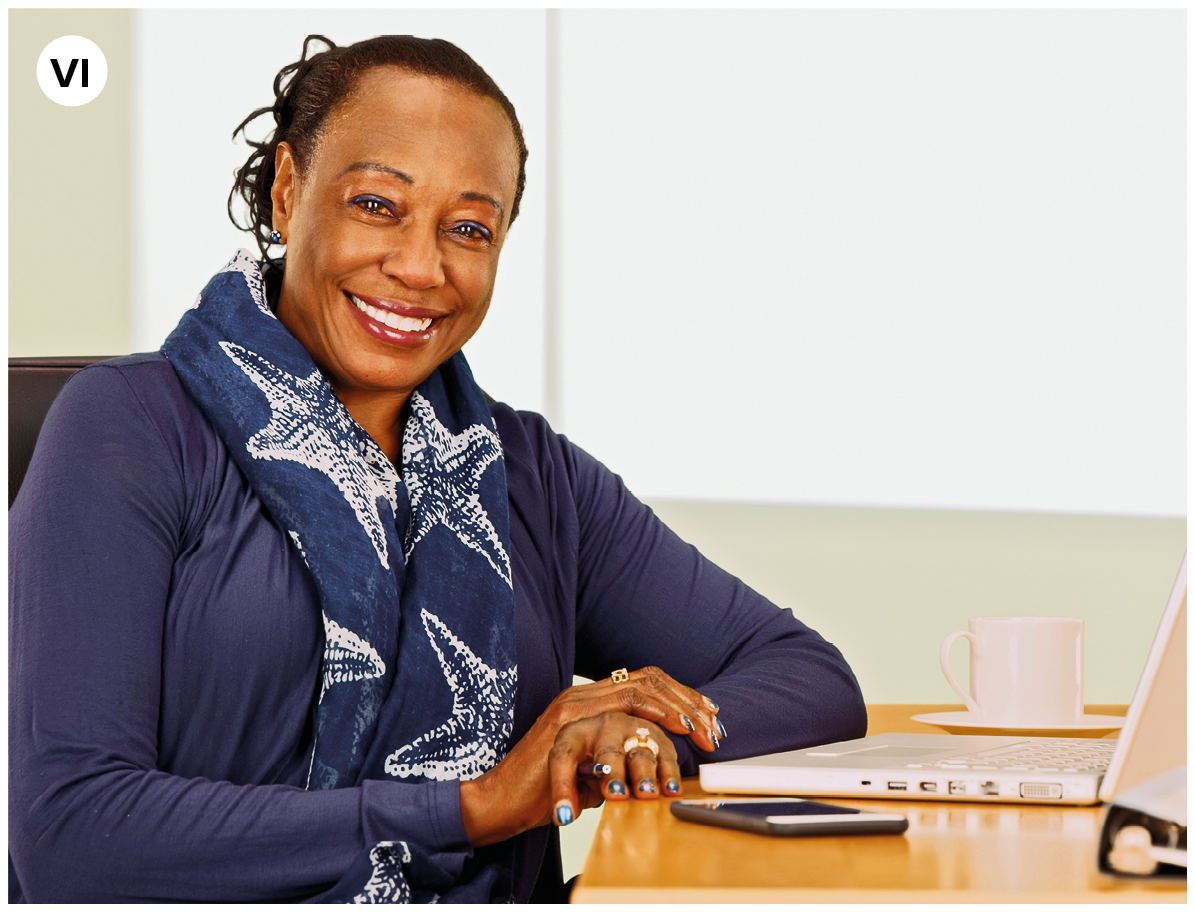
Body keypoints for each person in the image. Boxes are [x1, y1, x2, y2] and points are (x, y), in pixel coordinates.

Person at [8, 35, 866, 903]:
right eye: (377, 204)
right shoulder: (131, 429)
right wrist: (473, 807)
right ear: (287, 190)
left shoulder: (528, 475)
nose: (421, 268)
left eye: (467, 228)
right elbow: (70, 836)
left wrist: (635, 735)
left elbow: (808, 678)